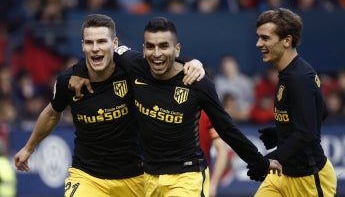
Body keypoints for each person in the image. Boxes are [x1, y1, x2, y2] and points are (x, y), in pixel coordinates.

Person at [71, 16, 282, 197]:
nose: (156, 53)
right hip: (149, 178)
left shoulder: (197, 82)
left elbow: (227, 128)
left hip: (186, 177)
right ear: (143, 49)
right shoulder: (134, 64)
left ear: (177, 49)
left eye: (164, 46)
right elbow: (101, 52)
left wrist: (259, 162)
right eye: (151, 46)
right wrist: (80, 69)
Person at [14, 14, 205, 197]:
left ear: (115, 44)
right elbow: (52, 113)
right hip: (88, 177)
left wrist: (195, 63)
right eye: (89, 42)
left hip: (135, 178)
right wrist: (29, 148)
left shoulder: (132, 71)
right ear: (82, 46)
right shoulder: (69, 82)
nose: (95, 48)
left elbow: (164, 63)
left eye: (101, 42)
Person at [254, 8, 337, 196]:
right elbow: (321, 110)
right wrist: (282, 131)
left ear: (287, 40)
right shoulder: (289, 72)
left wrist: (269, 159)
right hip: (283, 173)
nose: (258, 44)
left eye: (265, 38)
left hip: (308, 179)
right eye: (258, 37)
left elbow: (308, 133)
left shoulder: (299, 77)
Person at [199, 110, 228, 197]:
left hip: (199, 180)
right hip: (165, 177)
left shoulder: (207, 113)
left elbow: (222, 151)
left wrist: (213, 184)